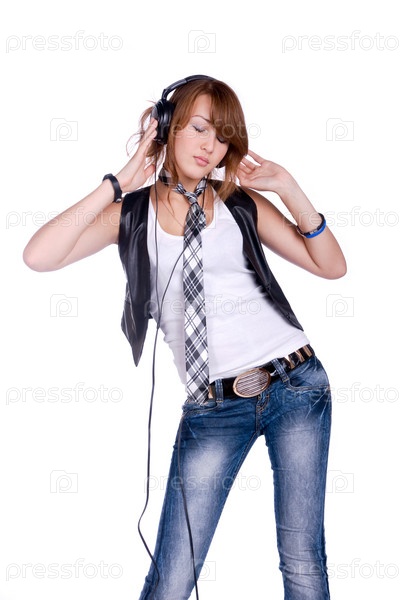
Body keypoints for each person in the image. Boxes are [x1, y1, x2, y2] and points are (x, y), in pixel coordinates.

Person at [23, 75, 347, 600]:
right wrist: (118, 182)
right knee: (172, 579)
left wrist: (289, 189)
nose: (209, 145)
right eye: (197, 128)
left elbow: (331, 266)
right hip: (212, 406)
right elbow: (39, 256)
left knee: (303, 561)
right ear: (167, 128)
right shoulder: (130, 215)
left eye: (221, 136)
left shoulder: (239, 203)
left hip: (296, 383)